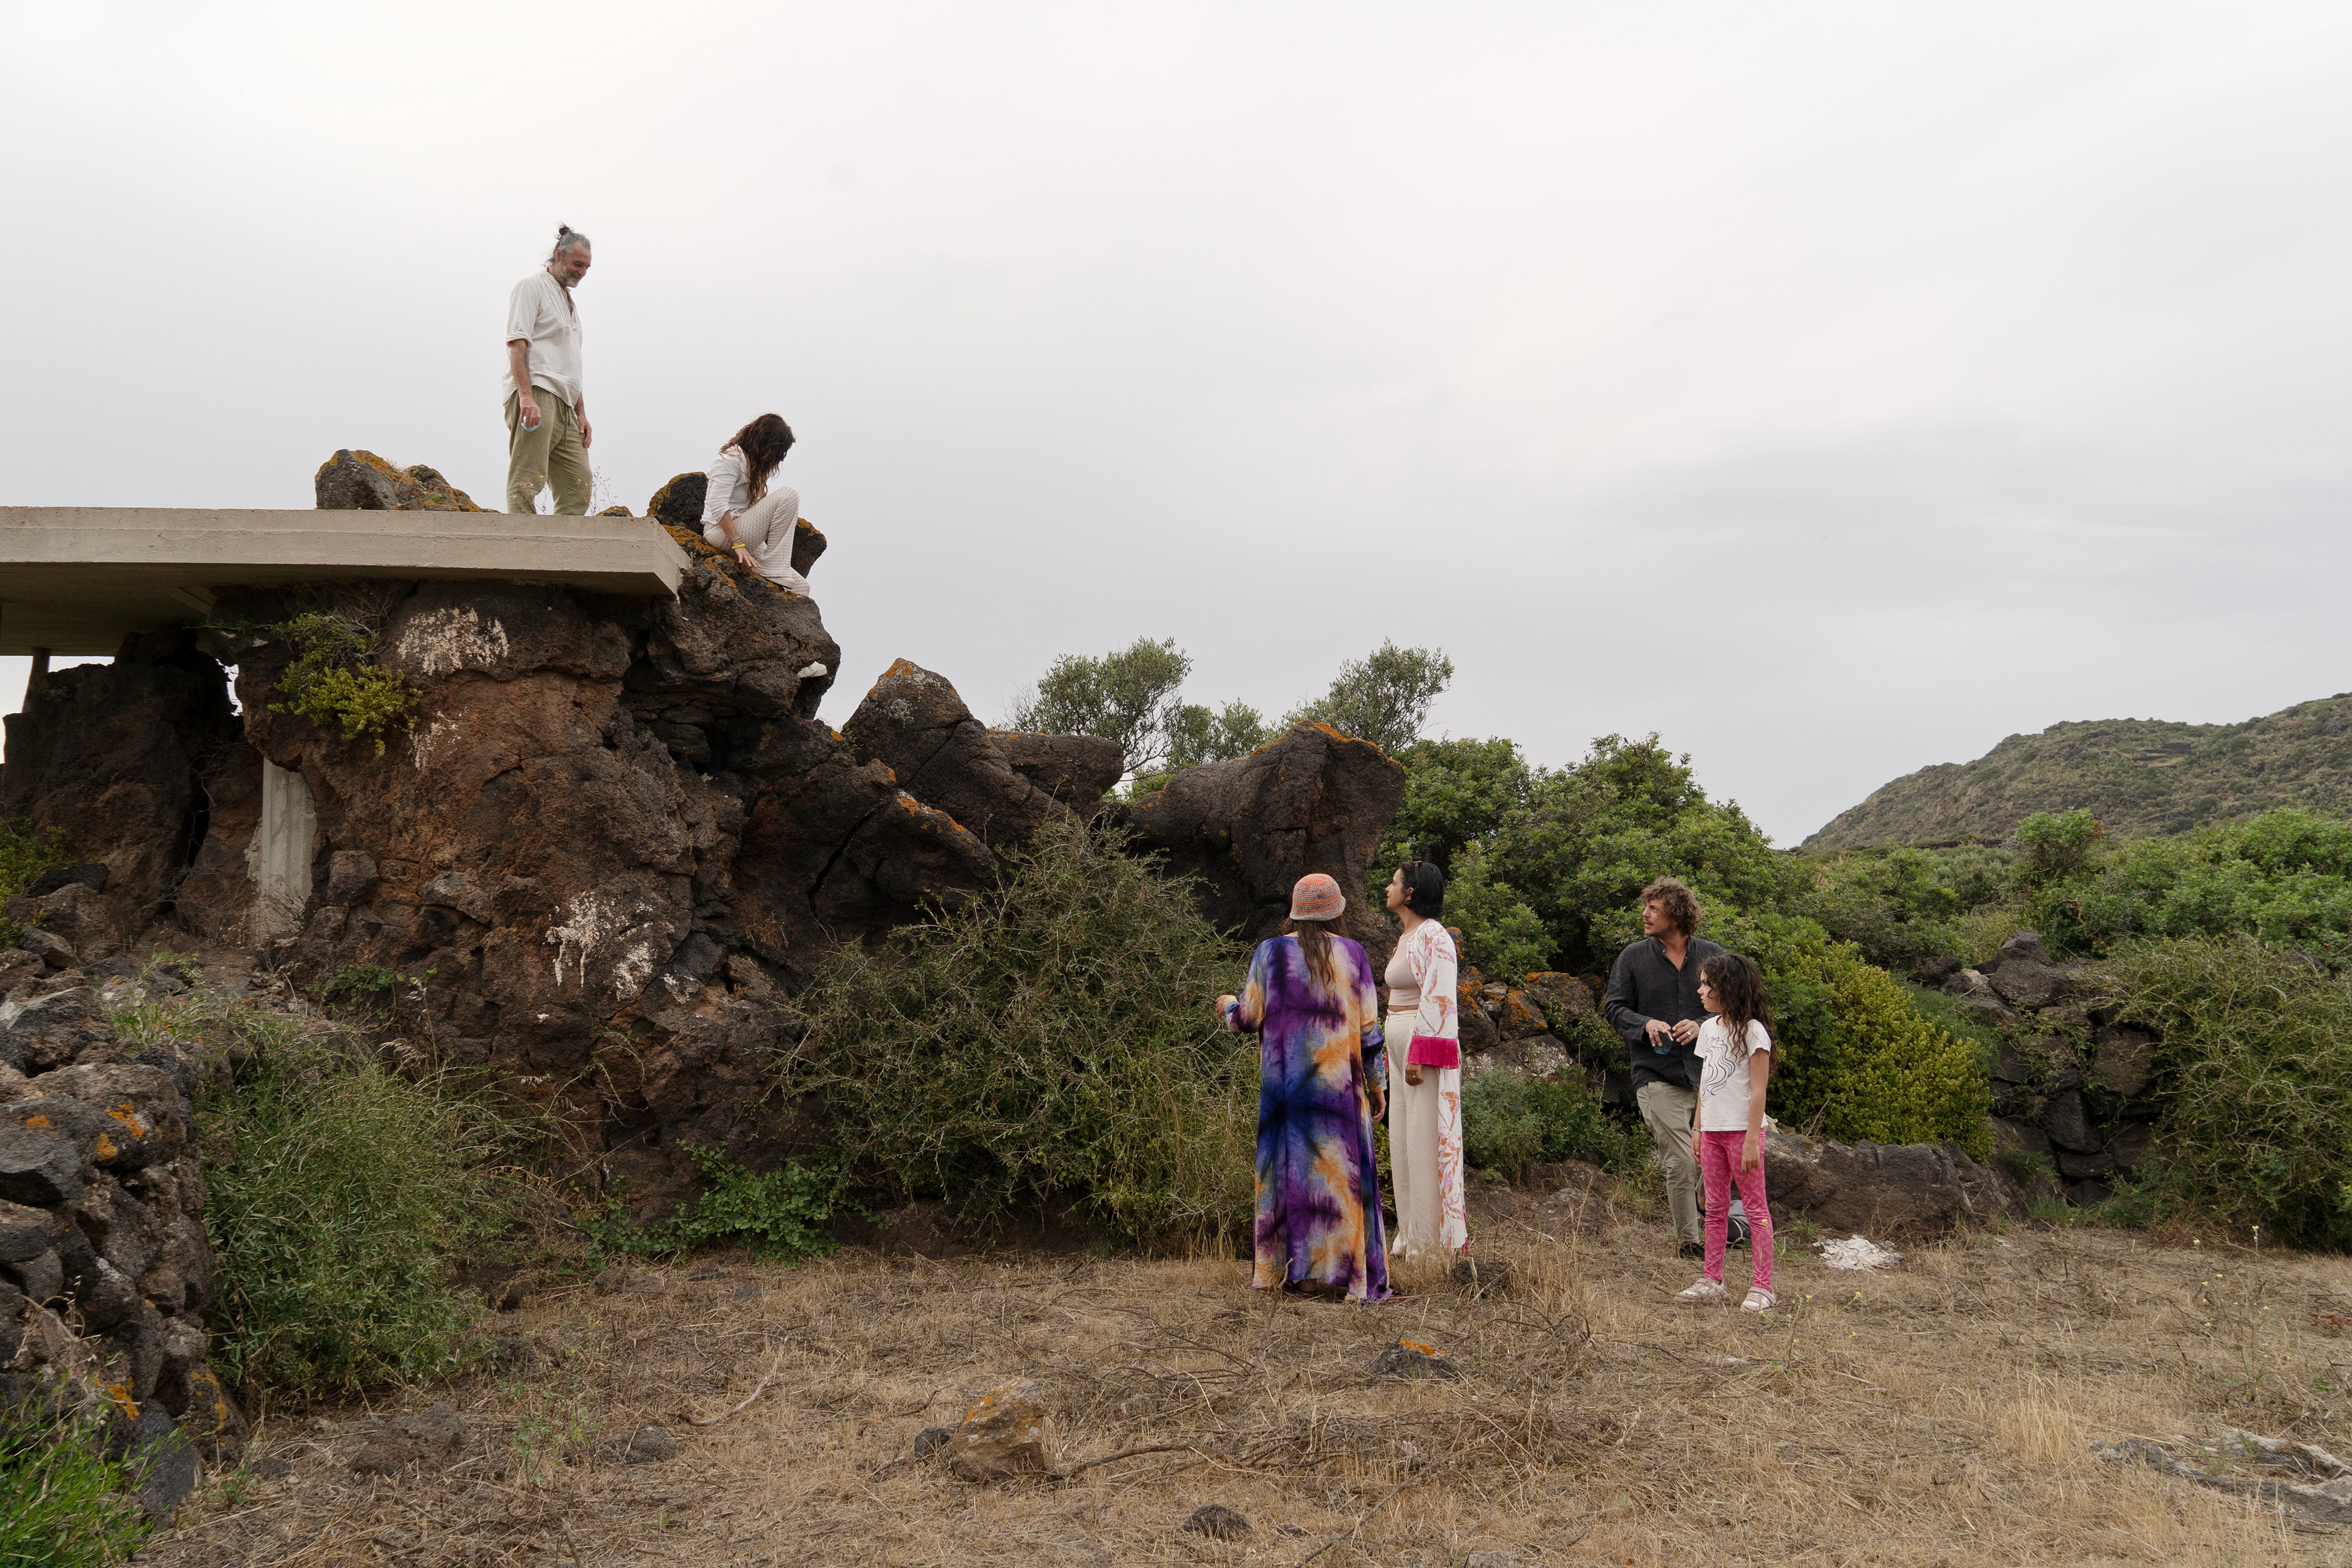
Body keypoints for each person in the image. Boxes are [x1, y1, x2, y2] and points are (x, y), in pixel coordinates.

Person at [1216, 873, 1390, 1302]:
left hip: (1287, 1096)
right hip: (1340, 1095)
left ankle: (1300, 1276)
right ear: (1337, 911)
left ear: (1294, 911)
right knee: (1338, 1180)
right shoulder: (1354, 955)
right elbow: (1370, 1033)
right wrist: (1377, 1087)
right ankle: (1343, 1276)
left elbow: (1247, 1020)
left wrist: (1226, 1006)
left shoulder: (1270, 954)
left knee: (1292, 1177)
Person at [1602, 878, 1725, 1259]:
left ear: (1677, 913)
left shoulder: (1713, 956)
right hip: (1655, 1075)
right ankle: (1690, 1242)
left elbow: (1734, 1008)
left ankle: (1721, 1225)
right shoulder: (1633, 957)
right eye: (1647, 907)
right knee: (1680, 1158)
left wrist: (1701, 1024)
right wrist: (1645, 1025)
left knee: (1716, 1159)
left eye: (1654, 908)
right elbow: (1614, 1008)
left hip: (1709, 1075)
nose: (1645, 914)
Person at [1678, 952, 1776, 1311]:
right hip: (1713, 1133)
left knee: (1755, 1210)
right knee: (1715, 1208)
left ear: (1728, 988)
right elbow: (1706, 1082)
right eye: (1701, 983)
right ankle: (1712, 1279)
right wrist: (1698, 1129)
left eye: (1708, 985)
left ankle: (1763, 1287)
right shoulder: (1709, 1029)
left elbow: (1759, 1091)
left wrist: (1752, 1139)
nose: (1701, 991)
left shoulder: (1753, 1030)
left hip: (1742, 1134)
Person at [1382, 859, 1466, 1259]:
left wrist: (1419, 1051)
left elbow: (1439, 995)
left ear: (1411, 894)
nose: (1388, 887)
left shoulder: (1436, 935)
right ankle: (1408, 1236)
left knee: (1421, 1139)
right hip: (1399, 1043)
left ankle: (1428, 1247)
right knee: (1400, 1138)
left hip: (1420, 1045)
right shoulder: (1408, 935)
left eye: (1394, 882)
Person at [502, 225, 594, 516]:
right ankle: (521, 548)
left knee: (577, 486)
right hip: (538, 392)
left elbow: (570, 363)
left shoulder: (571, 305)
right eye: (578, 264)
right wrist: (526, 398)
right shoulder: (532, 287)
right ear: (558, 255)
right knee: (527, 477)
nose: (582, 272)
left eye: (587, 267)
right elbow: (518, 344)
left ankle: (560, 552)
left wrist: (581, 412)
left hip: (567, 404)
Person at [699, 414, 813, 595]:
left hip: (743, 535)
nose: (781, 458)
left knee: (801, 588)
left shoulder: (750, 465)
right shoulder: (730, 460)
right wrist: (738, 545)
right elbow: (717, 505)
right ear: (766, 443)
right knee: (789, 495)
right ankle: (775, 568)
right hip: (721, 534)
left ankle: (776, 610)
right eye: (780, 451)